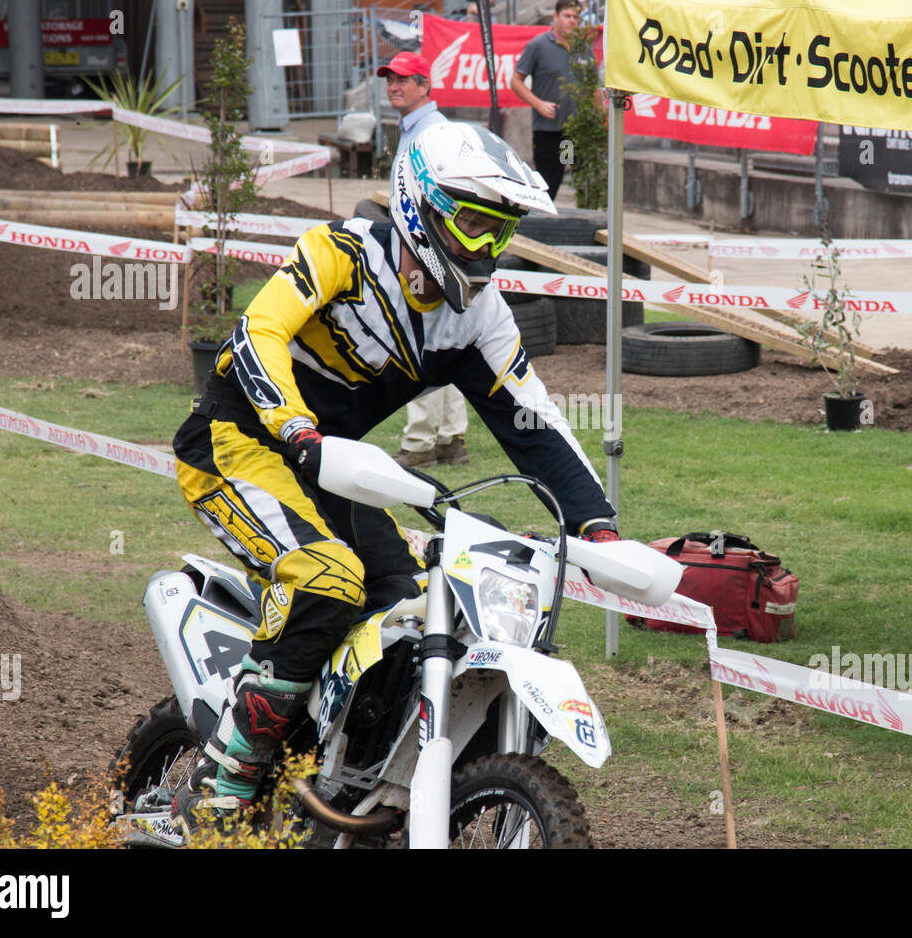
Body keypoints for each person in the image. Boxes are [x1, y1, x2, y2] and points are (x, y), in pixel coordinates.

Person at [170, 121, 619, 828]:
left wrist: (599, 525)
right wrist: (294, 425)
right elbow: (262, 331)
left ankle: (343, 768)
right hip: (237, 442)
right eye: (472, 224)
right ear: (421, 206)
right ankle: (224, 782)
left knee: (411, 602)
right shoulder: (340, 253)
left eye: (497, 233)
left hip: (334, 467)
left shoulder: (477, 319)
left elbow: (533, 422)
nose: (485, 249)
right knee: (328, 579)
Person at [376, 51, 471, 467]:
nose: (393, 86)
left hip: (426, 251)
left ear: (424, 86)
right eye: (389, 79)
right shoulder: (421, 127)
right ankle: (451, 440)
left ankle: (419, 444)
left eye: (402, 79)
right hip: (431, 250)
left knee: (421, 340)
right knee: (444, 339)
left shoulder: (430, 131)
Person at [512, 0, 585, 202]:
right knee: (549, 184)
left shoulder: (583, 47)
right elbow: (516, 81)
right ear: (555, 16)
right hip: (548, 130)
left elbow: (592, 86)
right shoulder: (539, 45)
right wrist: (538, 104)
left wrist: (600, 116)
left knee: (581, 180)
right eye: (567, 16)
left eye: (576, 17)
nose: (572, 21)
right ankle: (540, 228)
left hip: (574, 131)